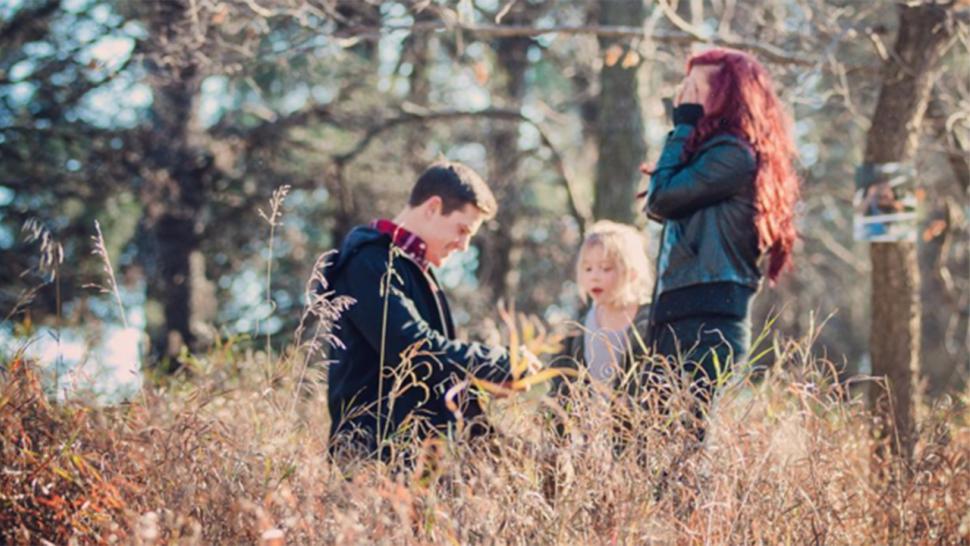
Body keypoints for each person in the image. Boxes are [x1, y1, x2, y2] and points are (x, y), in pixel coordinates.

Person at [642, 47, 800, 437]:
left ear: (725, 94)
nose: (683, 97)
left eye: (695, 88)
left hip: (708, 317)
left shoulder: (733, 155)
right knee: (655, 442)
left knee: (686, 442)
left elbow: (661, 198)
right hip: (679, 311)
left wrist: (682, 126)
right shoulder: (709, 155)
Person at [323, 161, 522, 460]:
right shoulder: (369, 263)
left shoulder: (416, 271)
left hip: (419, 462)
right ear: (433, 207)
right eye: (462, 229)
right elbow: (415, 351)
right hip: (372, 462)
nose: (464, 245)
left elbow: (436, 373)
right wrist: (500, 362)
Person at [550, 220, 653, 399]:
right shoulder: (576, 332)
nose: (594, 277)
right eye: (588, 269)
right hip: (588, 417)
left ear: (632, 272)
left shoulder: (651, 323)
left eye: (605, 268)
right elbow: (559, 390)